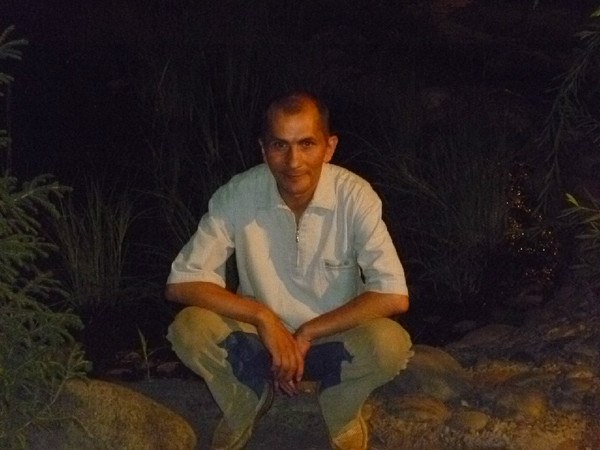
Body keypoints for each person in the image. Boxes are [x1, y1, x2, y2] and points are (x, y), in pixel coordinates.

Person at [165, 91, 413, 450]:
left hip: (331, 340)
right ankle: (244, 398)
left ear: (329, 148)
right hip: (259, 341)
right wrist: (264, 318)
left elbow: (393, 294)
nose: (293, 161)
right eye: (280, 145)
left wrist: (309, 332)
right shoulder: (239, 193)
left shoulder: (355, 196)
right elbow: (182, 283)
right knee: (189, 328)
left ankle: (339, 405)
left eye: (306, 144)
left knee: (390, 344)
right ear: (263, 149)